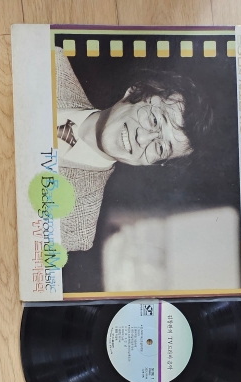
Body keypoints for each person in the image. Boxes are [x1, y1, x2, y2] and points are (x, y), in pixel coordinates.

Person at [54, 46, 213, 252]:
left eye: (160, 147)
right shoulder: (52, 65)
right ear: (136, 91)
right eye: (154, 120)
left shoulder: (76, 226)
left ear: (152, 164)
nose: (142, 138)